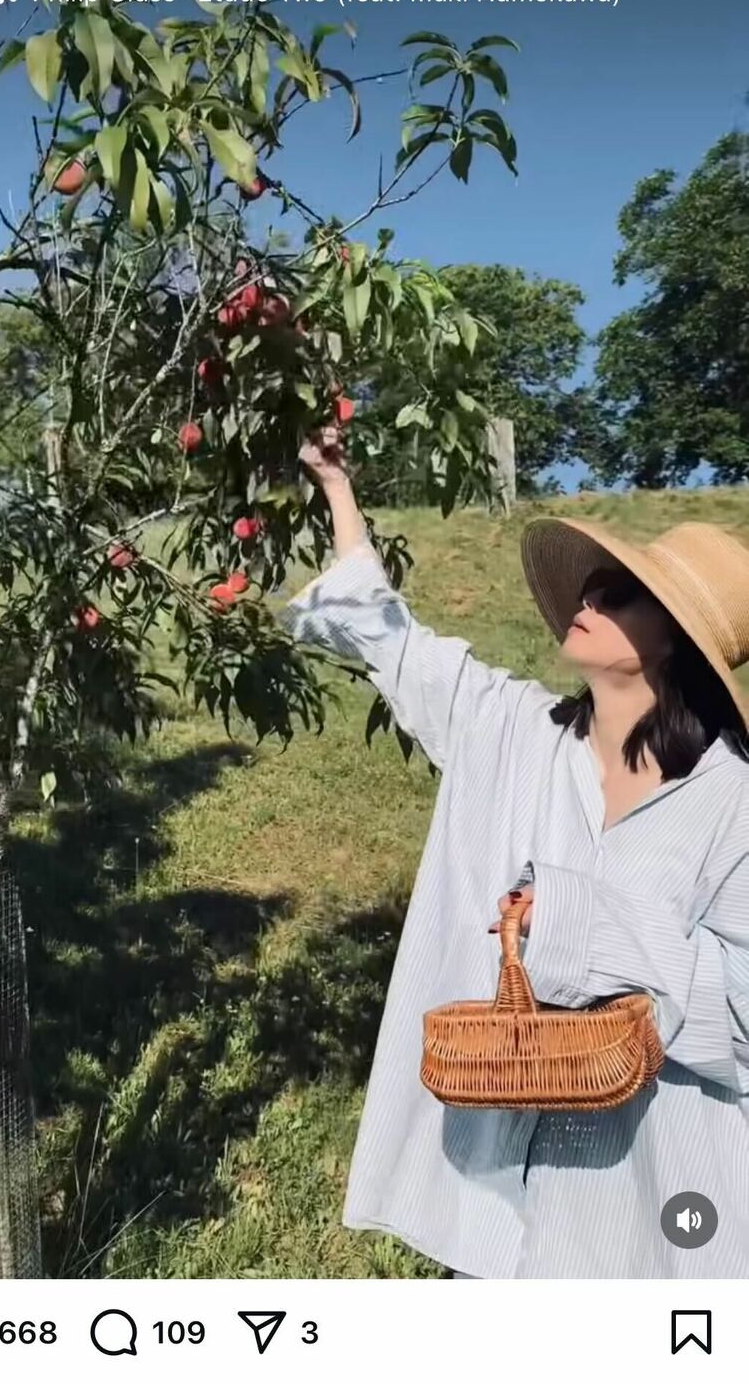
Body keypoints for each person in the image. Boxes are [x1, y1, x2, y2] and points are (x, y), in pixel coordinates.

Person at [281, 422, 749, 1280]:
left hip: (654, 1190)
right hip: (505, 1190)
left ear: (676, 640)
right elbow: (392, 640)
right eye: (592, 587)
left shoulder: (732, 802)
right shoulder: (513, 730)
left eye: (619, 594)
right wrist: (337, 487)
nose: (587, 601)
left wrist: (584, 924)